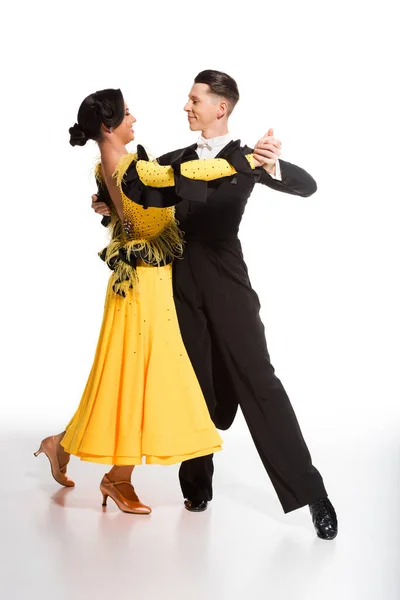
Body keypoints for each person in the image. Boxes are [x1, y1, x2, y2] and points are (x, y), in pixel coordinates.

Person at [92, 72, 338, 540]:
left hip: (227, 284)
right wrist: (105, 202)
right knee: (194, 386)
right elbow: (132, 184)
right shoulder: (176, 160)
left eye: (194, 100)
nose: (186, 106)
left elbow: (307, 186)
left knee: (260, 383)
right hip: (177, 288)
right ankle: (197, 485)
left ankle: (313, 494)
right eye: (188, 99)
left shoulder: (245, 160)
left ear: (220, 108)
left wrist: (272, 165)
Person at [34, 87, 261, 515]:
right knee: (132, 378)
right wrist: (247, 160)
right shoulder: (127, 167)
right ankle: (115, 477)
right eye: (126, 113)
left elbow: (129, 211)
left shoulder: (116, 162)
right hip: (141, 285)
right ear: (108, 125)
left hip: (154, 281)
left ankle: (66, 449)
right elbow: (181, 177)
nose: (133, 117)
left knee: (133, 378)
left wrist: (109, 210)